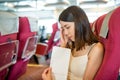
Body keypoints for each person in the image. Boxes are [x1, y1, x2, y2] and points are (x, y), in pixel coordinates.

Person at [42, 5, 104, 80]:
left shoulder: (96, 48)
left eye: (67, 27)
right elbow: (56, 72)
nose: (65, 33)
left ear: (80, 23)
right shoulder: (71, 45)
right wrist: (63, 46)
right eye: (63, 29)